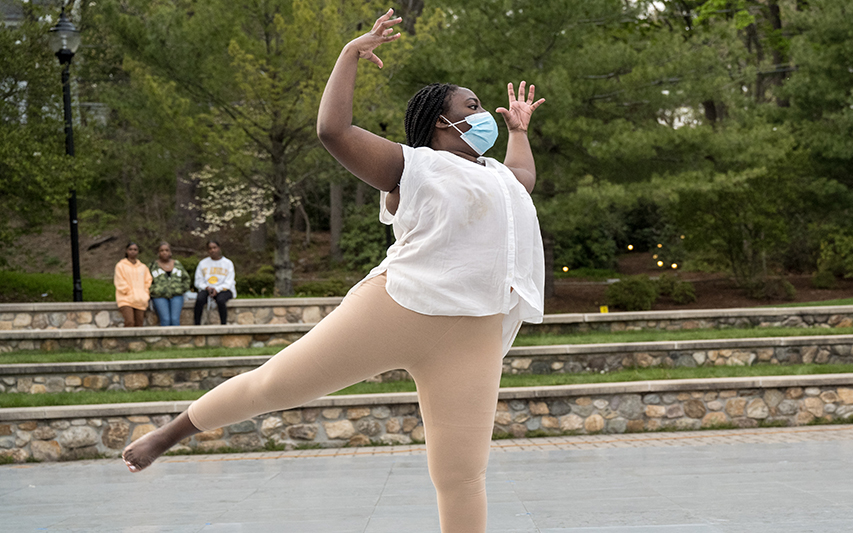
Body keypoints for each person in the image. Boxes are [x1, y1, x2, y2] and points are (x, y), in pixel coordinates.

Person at [123, 9, 544, 533]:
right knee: (274, 384)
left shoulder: (498, 175)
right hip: (399, 307)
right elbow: (333, 130)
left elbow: (523, 178)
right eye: (473, 106)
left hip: (475, 331)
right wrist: (350, 54)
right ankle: (171, 432)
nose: (483, 113)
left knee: (461, 475)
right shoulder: (412, 165)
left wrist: (518, 130)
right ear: (441, 118)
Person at [193, 240, 236, 325]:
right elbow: (198, 281)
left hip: (224, 289)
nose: (212, 250)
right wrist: (206, 287)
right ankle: (197, 324)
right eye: (210, 248)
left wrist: (217, 289)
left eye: (214, 248)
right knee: (200, 299)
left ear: (219, 248)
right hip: (207, 288)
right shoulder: (203, 263)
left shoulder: (228, 263)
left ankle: (223, 324)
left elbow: (229, 282)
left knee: (220, 300)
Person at [148, 242, 191, 326]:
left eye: (167, 250)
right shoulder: (152, 266)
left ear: (170, 252)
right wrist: (154, 290)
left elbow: (186, 279)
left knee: (175, 319)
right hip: (159, 296)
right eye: (162, 250)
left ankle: (177, 338)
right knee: (165, 319)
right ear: (158, 253)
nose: (164, 252)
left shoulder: (177, 264)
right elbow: (146, 281)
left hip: (176, 296)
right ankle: (164, 339)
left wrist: (181, 289)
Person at [114, 242, 153, 328]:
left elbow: (148, 281)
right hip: (126, 299)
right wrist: (128, 291)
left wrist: (145, 293)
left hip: (140, 300)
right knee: (129, 322)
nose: (133, 251)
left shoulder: (143, 267)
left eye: (135, 249)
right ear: (126, 251)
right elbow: (119, 280)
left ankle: (137, 342)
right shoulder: (120, 266)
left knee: (139, 324)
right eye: (130, 249)